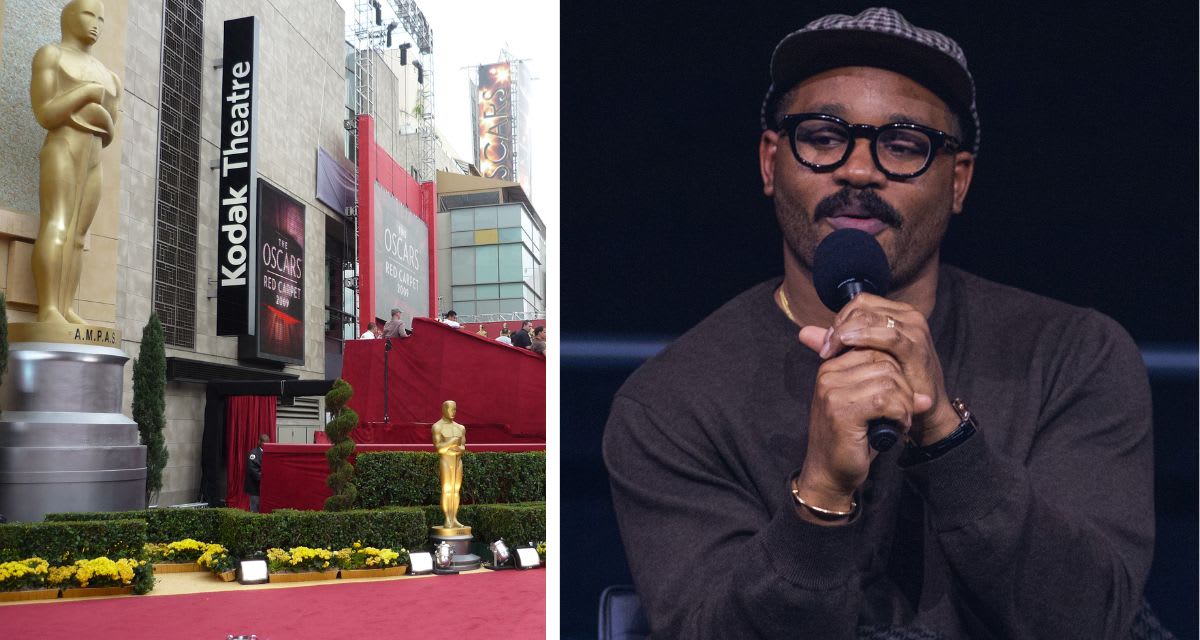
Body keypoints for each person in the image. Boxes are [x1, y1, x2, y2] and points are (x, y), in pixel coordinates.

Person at [602, 8, 1153, 640]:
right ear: (769, 161)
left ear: (958, 182)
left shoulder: (1073, 355)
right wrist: (822, 498)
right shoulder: (671, 403)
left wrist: (944, 435)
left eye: (902, 145)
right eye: (823, 136)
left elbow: (1095, 621)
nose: (859, 171)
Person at [30, 0, 122, 324]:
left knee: (79, 235)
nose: (96, 23)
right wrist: (86, 95)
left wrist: (99, 114)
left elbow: (110, 130)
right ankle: (49, 309)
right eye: (88, 15)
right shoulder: (50, 55)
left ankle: (66, 306)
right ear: (69, 17)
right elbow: (45, 112)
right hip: (62, 146)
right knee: (56, 223)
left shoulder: (109, 76)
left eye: (100, 18)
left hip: (93, 152)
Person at [431, 400, 467, 530]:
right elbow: (439, 448)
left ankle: (454, 518)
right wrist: (451, 442)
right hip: (446, 461)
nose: (453, 412)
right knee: (446, 490)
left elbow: (463, 446)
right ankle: (447, 518)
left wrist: (460, 449)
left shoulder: (460, 428)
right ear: (443, 409)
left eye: (455, 409)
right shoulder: (437, 427)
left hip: (457, 461)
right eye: (450, 409)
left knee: (456, 490)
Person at [244, 433, 270, 513]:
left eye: (268, 442)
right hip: (255, 488)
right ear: (259, 442)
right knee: (255, 509)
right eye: (264, 442)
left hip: (264, 489)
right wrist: (266, 479)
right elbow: (254, 471)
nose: (266, 444)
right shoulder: (254, 454)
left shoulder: (268, 453)